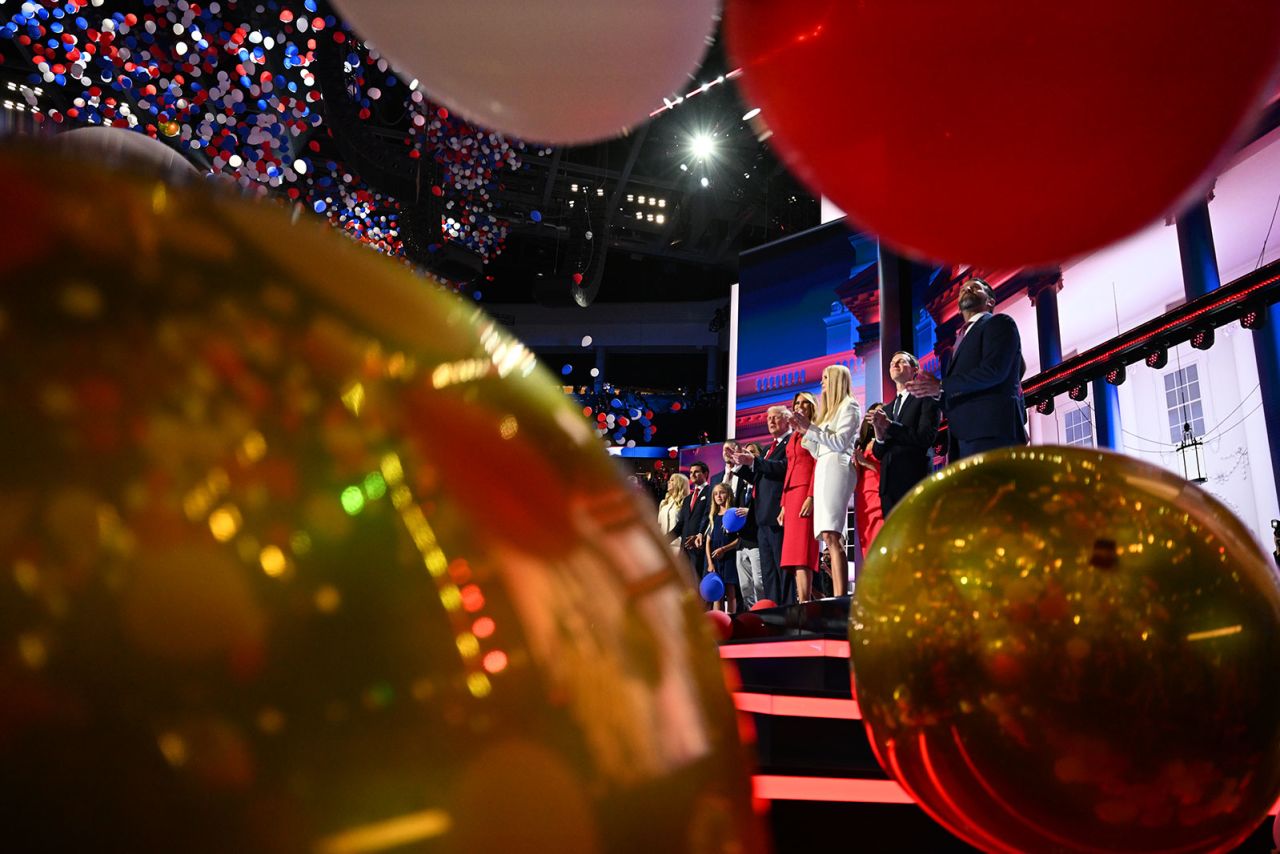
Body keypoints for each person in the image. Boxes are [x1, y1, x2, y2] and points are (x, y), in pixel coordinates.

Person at [906, 277, 1027, 461]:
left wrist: (941, 384)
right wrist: (935, 393)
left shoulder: (999, 322)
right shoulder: (960, 340)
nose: (967, 289)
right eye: (963, 289)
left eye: (975, 287)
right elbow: (959, 391)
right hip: (961, 439)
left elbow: (994, 371)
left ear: (990, 301)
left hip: (992, 432)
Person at [792, 365, 861, 598]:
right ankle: (838, 594)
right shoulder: (828, 412)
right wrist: (805, 432)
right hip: (823, 468)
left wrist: (810, 429)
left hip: (838, 468)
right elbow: (818, 449)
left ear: (836, 380)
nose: (821, 383)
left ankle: (841, 596)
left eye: (824, 378)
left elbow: (840, 442)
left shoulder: (849, 405)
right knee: (827, 535)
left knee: (833, 534)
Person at [728, 406, 792, 605]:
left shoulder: (791, 443)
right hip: (761, 518)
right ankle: (774, 612)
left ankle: (787, 611)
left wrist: (754, 460)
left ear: (787, 421)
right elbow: (758, 476)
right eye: (768, 419)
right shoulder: (768, 448)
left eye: (775, 418)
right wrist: (739, 464)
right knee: (768, 572)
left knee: (783, 570)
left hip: (778, 515)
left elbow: (782, 469)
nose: (770, 422)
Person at [872, 351, 942, 512]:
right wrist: (879, 435)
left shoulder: (926, 397)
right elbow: (879, 453)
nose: (894, 364)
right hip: (889, 488)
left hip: (915, 481)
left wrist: (890, 426)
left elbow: (926, 438)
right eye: (891, 363)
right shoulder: (887, 409)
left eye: (901, 361)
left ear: (914, 370)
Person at [779, 392, 820, 602]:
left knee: (803, 553)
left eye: (805, 402)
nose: (800, 406)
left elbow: (817, 465)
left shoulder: (814, 430)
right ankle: (804, 600)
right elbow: (788, 469)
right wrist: (783, 505)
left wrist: (812, 496)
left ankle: (805, 603)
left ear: (812, 407)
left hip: (805, 493)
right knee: (794, 556)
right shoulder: (794, 435)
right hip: (791, 496)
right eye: (797, 403)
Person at [733, 443, 764, 609]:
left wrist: (749, 511)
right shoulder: (742, 482)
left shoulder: (762, 479)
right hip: (742, 542)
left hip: (757, 541)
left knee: (759, 584)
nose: (748, 455)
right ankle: (752, 615)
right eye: (745, 452)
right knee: (745, 587)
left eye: (752, 452)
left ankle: (765, 613)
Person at [853, 403, 885, 559]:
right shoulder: (861, 443)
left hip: (879, 495)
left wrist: (865, 462)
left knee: (880, 539)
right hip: (863, 498)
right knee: (867, 542)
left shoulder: (887, 441)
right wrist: (856, 465)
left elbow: (887, 471)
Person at [704, 482, 742, 613]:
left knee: (730, 592)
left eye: (721, 492)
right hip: (715, 560)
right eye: (715, 494)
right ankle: (717, 621)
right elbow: (708, 541)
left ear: (728, 494)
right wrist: (710, 563)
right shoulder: (713, 516)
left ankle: (731, 619)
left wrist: (724, 549)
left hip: (730, 558)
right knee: (717, 594)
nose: (718, 496)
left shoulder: (735, 513)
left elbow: (740, 539)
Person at [680, 462, 712, 580]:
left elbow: (709, 517)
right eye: (691, 472)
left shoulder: (711, 492)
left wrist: (700, 535)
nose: (692, 474)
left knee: (697, 581)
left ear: (705, 474)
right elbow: (681, 523)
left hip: (699, 546)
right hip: (685, 547)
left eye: (696, 472)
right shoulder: (688, 499)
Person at [657, 473, 689, 553]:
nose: (668, 482)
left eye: (672, 480)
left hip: (678, 546)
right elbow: (659, 524)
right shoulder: (664, 502)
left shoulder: (686, 502)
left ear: (679, 483)